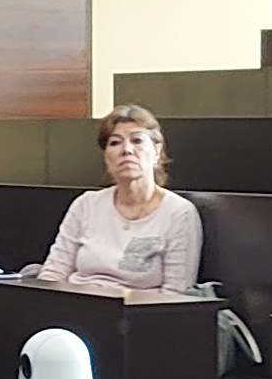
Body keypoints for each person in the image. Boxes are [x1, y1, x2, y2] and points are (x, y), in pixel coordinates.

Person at [34, 106, 204, 291]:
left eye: (137, 140)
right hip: (76, 301)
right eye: (115, 143)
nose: (126, 150)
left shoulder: (179, 213)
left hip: (138, 307)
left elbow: (176, 293)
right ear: (106, 157)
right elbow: (53, 273)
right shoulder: (86, 204)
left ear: (156, 151)